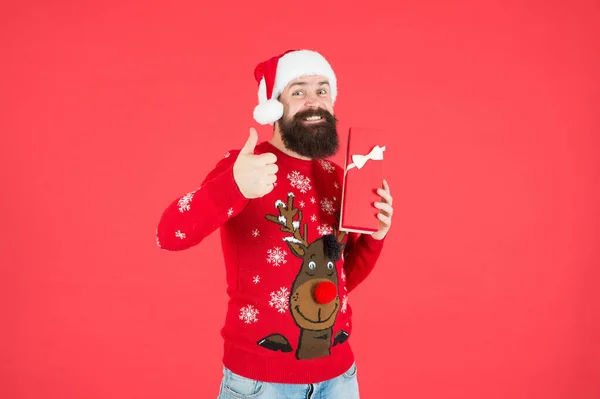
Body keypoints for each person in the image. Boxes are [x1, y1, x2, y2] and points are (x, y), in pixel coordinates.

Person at [156, 49, 394, 399]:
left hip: (340, 379)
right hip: (262, 385)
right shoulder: (244, 166)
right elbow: (169, 234)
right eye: (298, 91)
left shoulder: (339, 177)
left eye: (322, 89)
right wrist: (233, 187)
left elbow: (338, 283)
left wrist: (375, 238)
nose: (313, 100)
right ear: (274, 105)